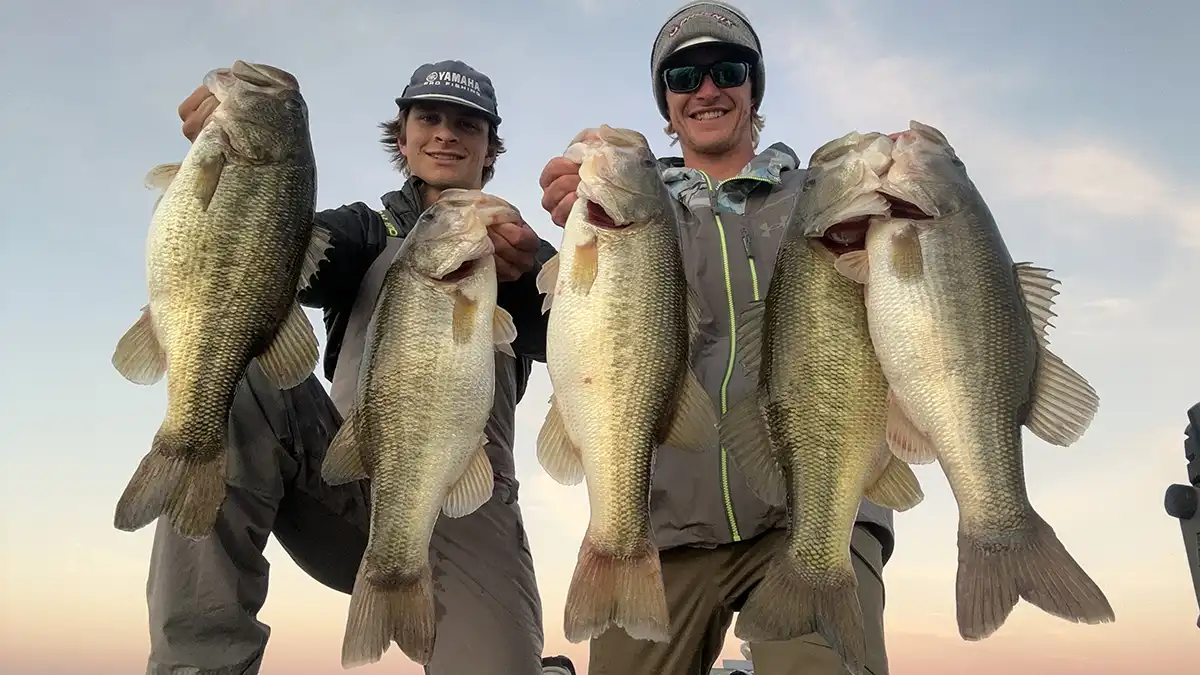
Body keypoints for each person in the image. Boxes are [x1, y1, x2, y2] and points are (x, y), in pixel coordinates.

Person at [145, 58, 573, 675]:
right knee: (236, 376)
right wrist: (238, 165)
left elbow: (592, 342)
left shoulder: (528, 254)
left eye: (467, 125)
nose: (446, 134)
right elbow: (278, 250)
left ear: (489, 150)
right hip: (349, 489)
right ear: (403, 139)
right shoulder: (362, 232)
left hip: (469, 507)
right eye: (428, 119)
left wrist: (529, 273)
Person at [538, 3, 896, 674]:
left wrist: (906, 197)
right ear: (667, 109)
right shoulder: (641, 210)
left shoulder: (825, 201)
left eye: (727, 70)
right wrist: (564, 226)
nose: (706, 89)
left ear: (753, 91)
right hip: (662, 522)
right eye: (683, 77)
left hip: (811, 514)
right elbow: (585, 335)